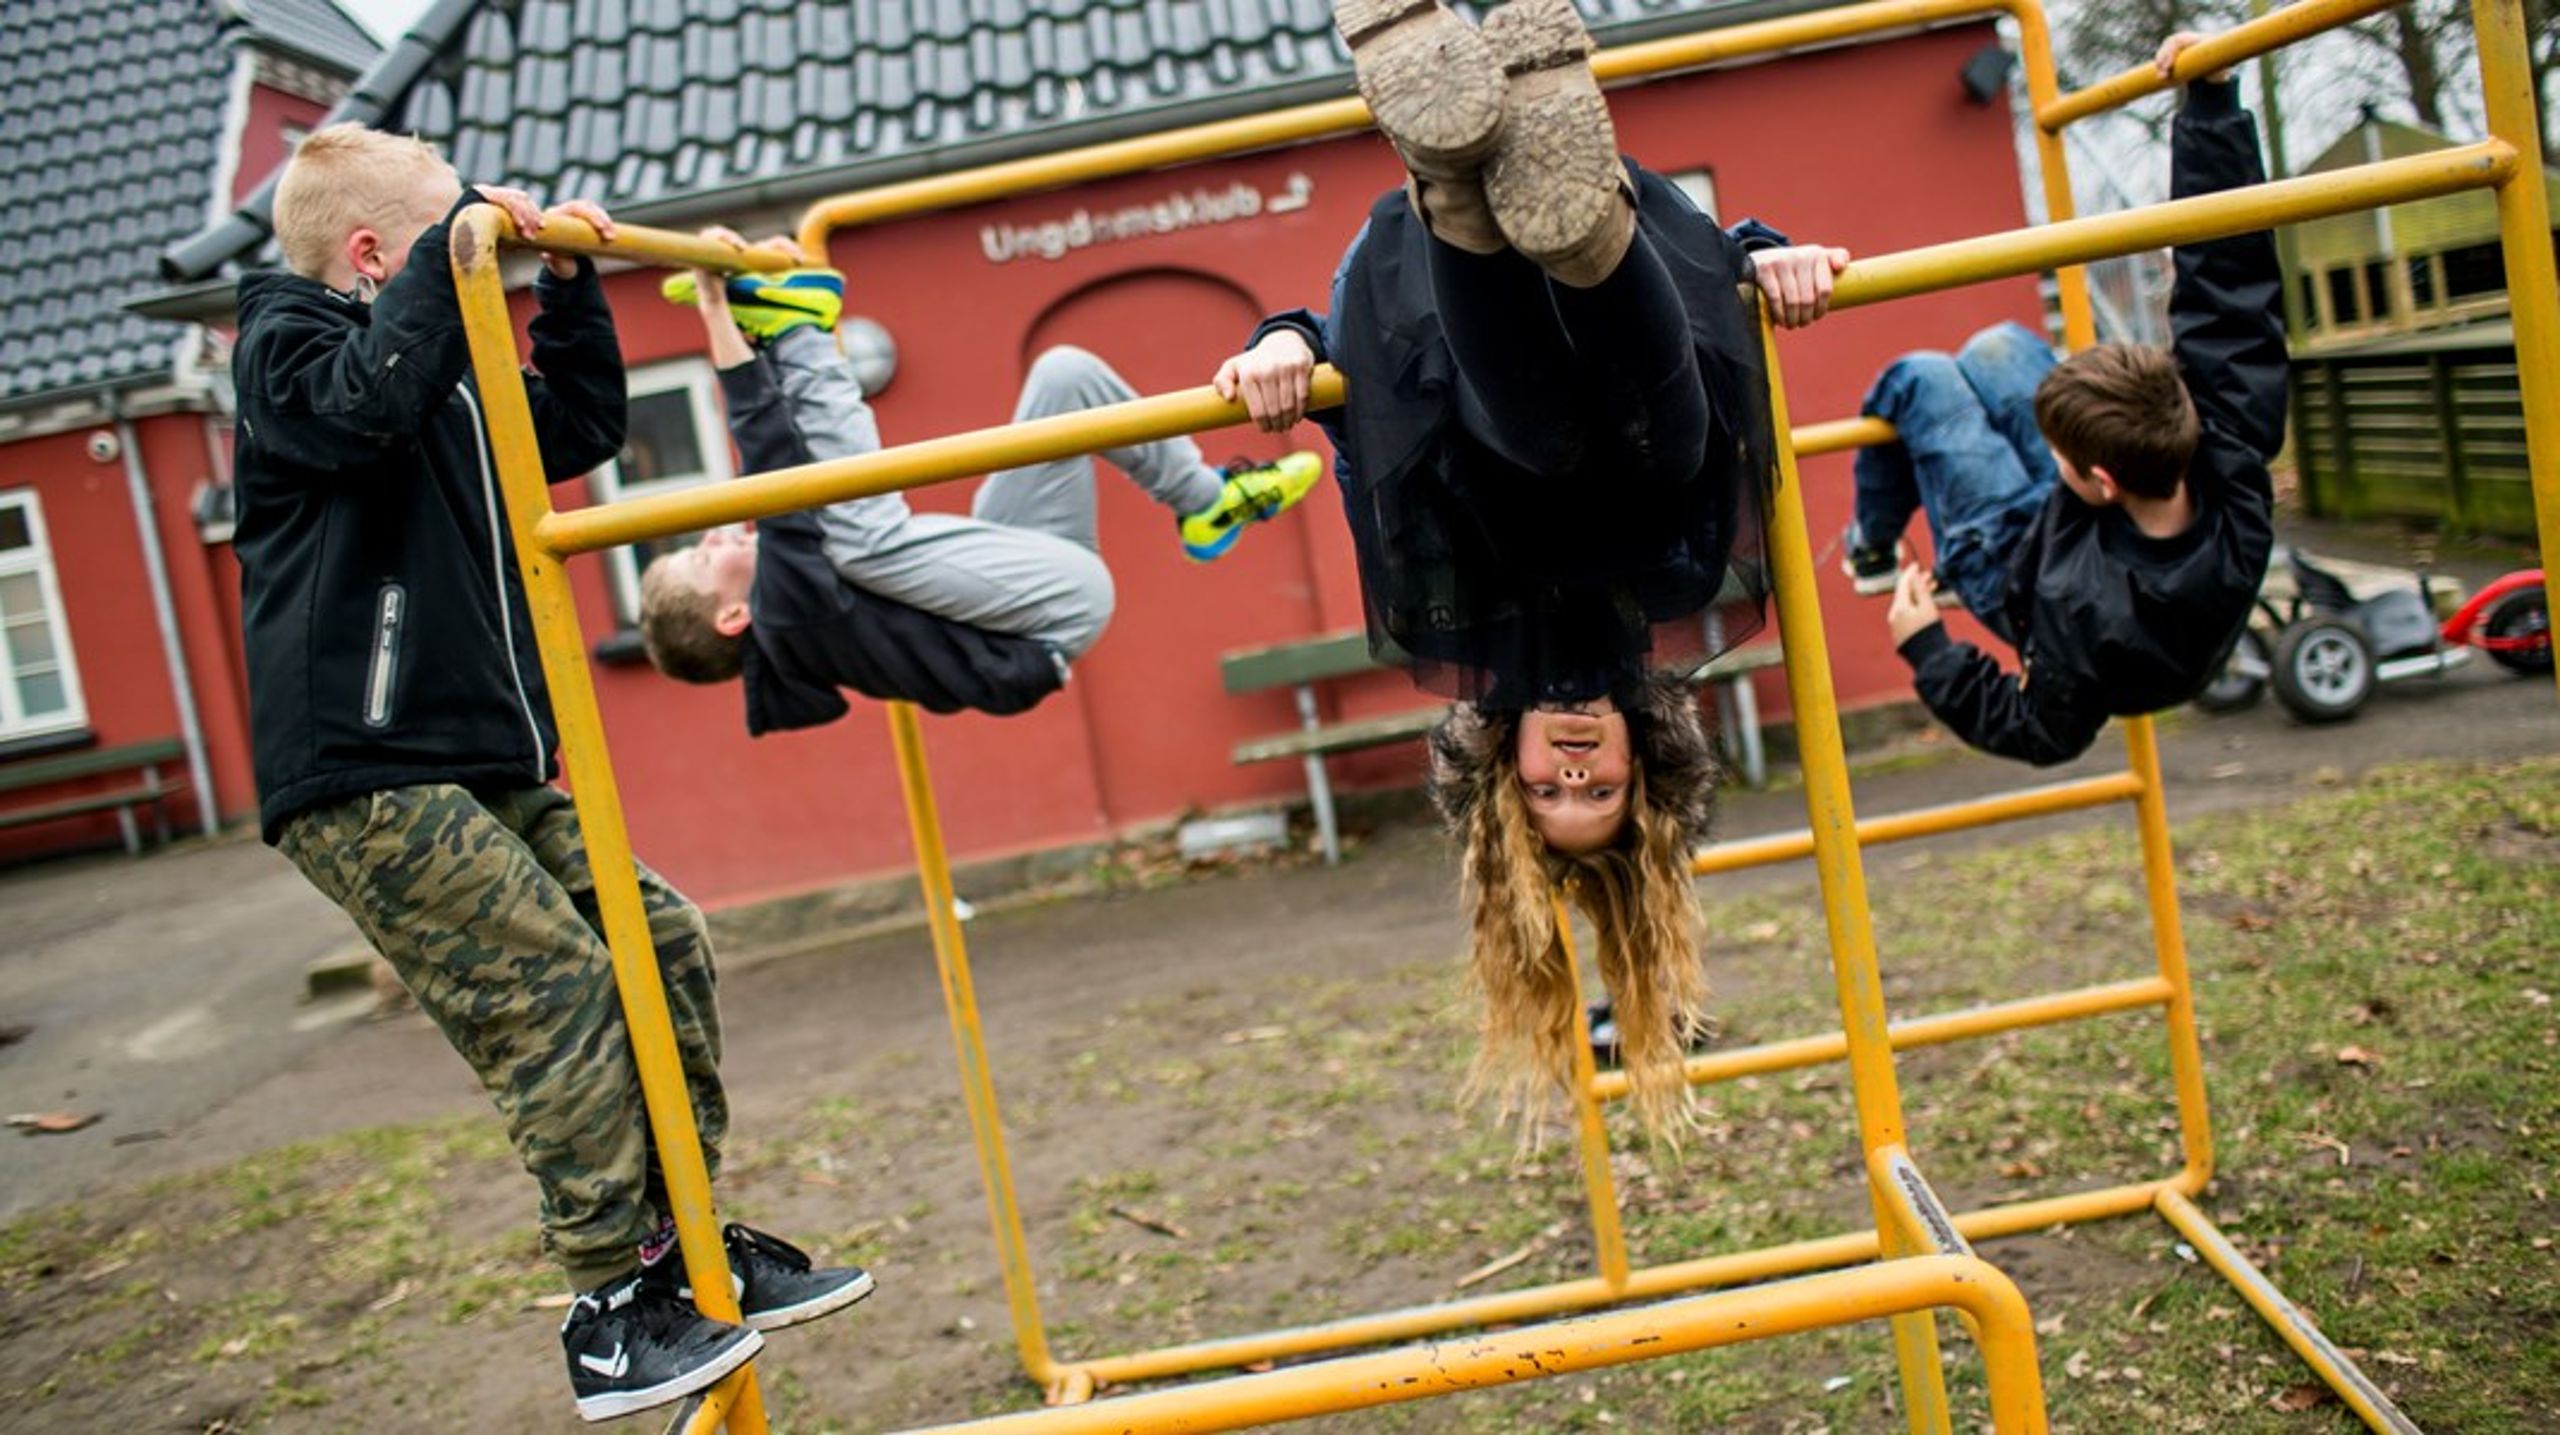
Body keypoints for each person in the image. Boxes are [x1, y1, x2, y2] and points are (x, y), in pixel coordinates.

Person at [230, 126, 870, 1424]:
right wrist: (456, 253)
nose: (486, 246)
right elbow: (360, 409)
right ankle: (607, 1305)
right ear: (373, 256)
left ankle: (687, 1240)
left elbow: (575, 422)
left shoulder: (443, 368)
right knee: (557, 987)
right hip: (362, 764)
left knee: (664, 938)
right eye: (455, 226)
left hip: (480, 756)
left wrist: (567, 289)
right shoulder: (286, 347)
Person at [1209, 0, 1846, 1135]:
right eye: (1597, 791)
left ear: (1505, 777)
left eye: (1548, 792)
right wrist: (1768, 251)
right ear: (1644, 772)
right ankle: (1572, 212)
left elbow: (1335, 351)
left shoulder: (1461, 633)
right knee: (1668, 457)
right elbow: (1715, 284)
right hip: (1645, 327)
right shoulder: (1673, 606)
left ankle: (1453, 177)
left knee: (1534, 453)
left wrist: (1281, 343)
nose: (1570, 768)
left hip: (1439, 325)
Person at [638, 233, 1324, 725]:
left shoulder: (792, 599)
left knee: (1064, 375)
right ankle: (802, 329)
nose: (719, 533)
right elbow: (774, 467)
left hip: (1013, 566)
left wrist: (746, 329)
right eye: (703, 557)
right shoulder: (789, 617)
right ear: (735, 616)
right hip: (1049, 620)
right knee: (853, 534)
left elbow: (789, 462)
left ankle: (1208, 503)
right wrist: (729, 320)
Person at [1857, 32, 2285, 766]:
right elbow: (2230, 299)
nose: (2048, 446)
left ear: (2102, 479)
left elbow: (2040, 730)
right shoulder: (2226, 444)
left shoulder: (2082, 624)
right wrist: (2212, 103)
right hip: (2083, 544)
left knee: (1920, 378)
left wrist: (1928, 646)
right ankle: (1932, 485)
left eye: (2060, 450)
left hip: (2018, 569)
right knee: (1997, 346)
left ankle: (1870, 547)